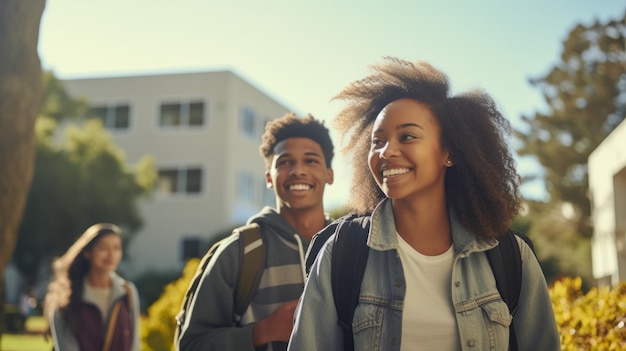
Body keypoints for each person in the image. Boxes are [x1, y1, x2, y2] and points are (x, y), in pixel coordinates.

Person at [288, 57, 561, 350]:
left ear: (450, 153)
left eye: (407, 136)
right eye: (377, 141)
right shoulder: (342, 252)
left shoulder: (510, 257)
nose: (386, 151)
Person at [177, 112, 335, 351]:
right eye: (285, 162)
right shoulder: (238, 252)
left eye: (311, 160)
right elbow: (190, 345)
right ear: (269, 177)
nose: (297, 170)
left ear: (329, 174)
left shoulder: (349, 247)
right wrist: (261, 332)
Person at [44, 223, 140, 351]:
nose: (111, 254)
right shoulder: (66, 295)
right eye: (103, 248)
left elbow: (134, 345)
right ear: (87, 252)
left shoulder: (128, 292)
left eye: (116, 248)